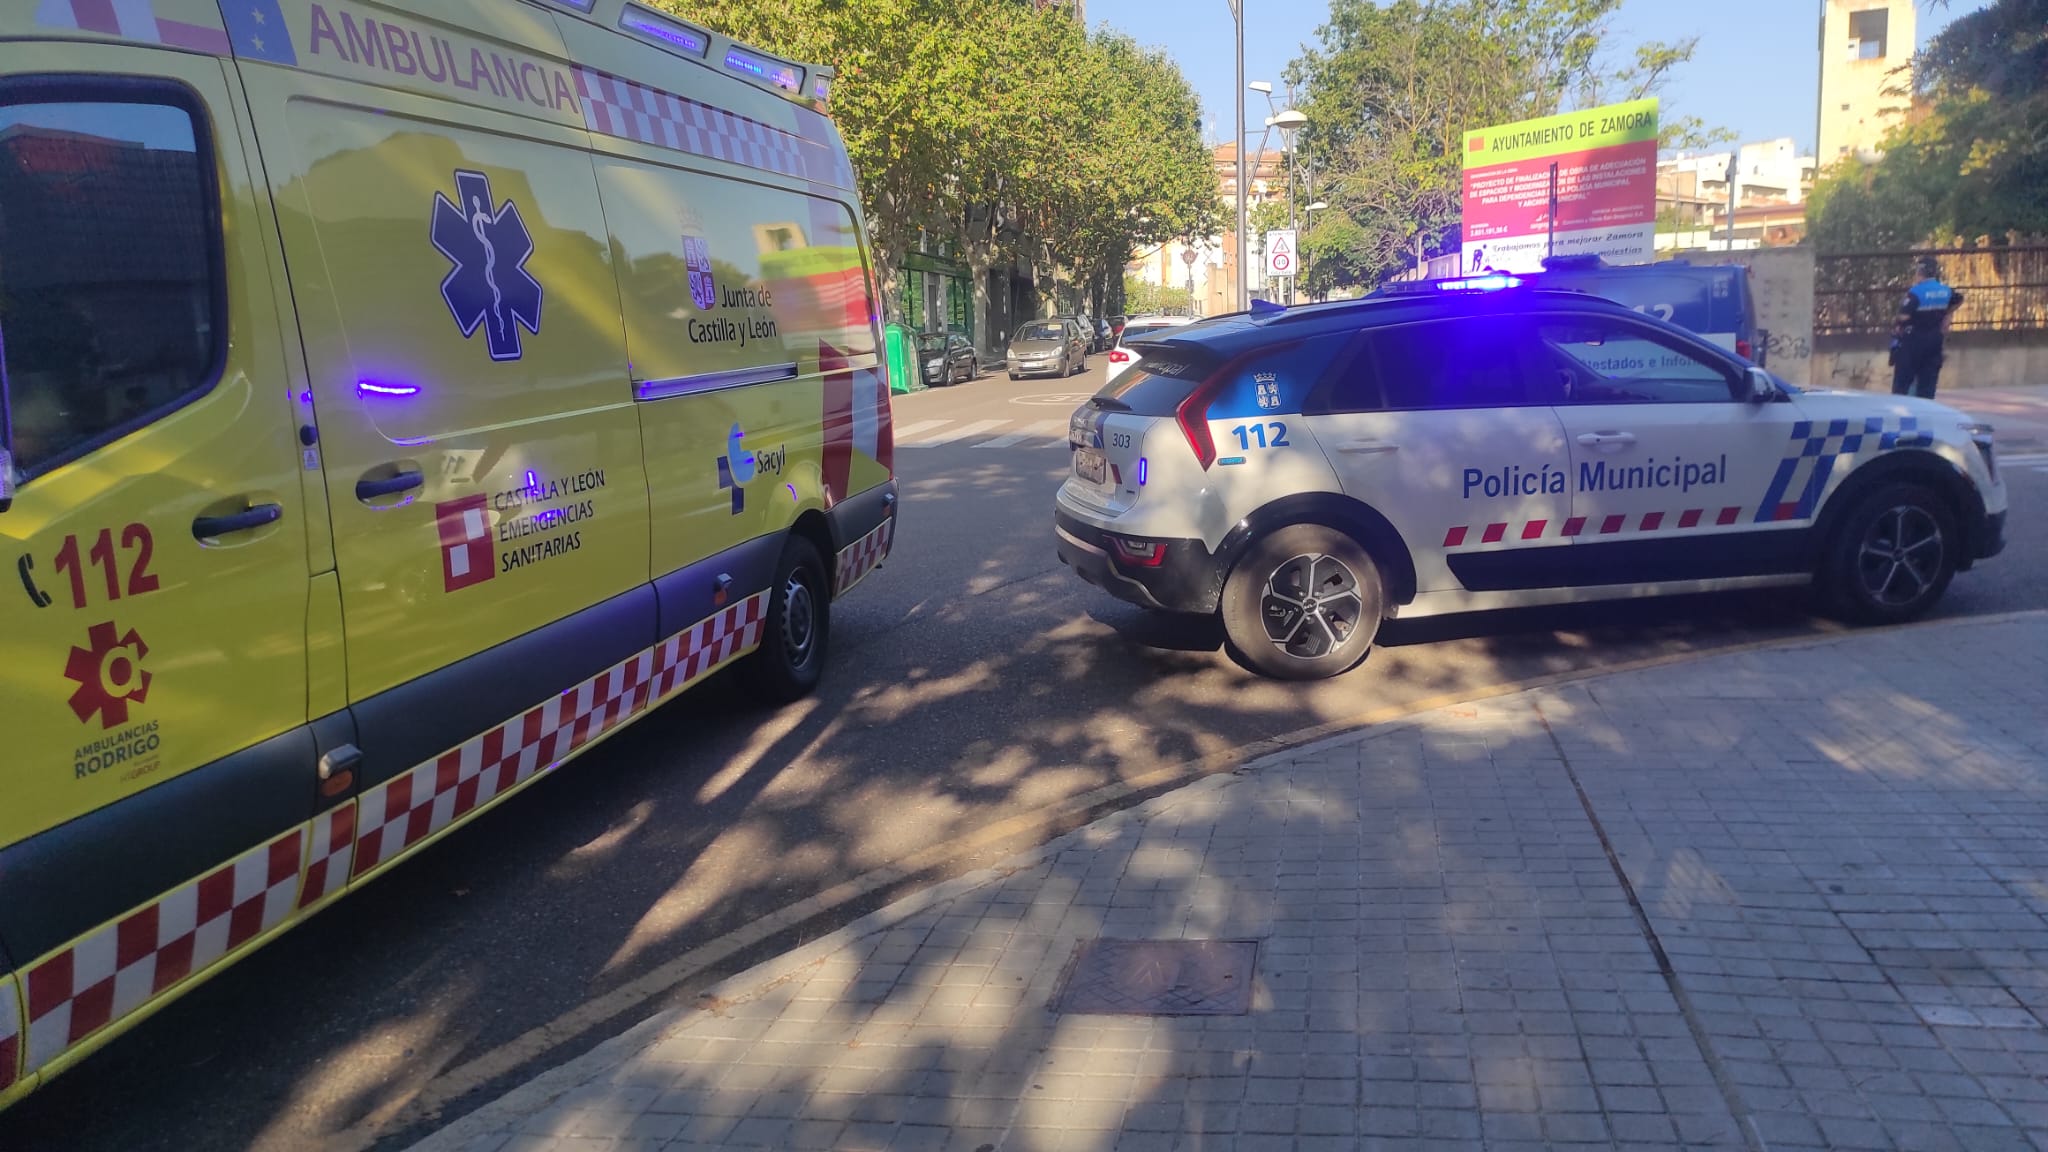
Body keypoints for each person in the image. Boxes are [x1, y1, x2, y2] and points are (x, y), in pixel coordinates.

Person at [1891, 255, 1962, 399]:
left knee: (1902, 384)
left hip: (1913, 341)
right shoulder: (1945, 291)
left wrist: (1898, 325)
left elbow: (1904, 316)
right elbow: (1959, 299)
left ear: (1919, 272)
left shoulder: (1915, 293)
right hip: (1935, 339)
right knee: (1928, 385)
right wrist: (1947, 315)